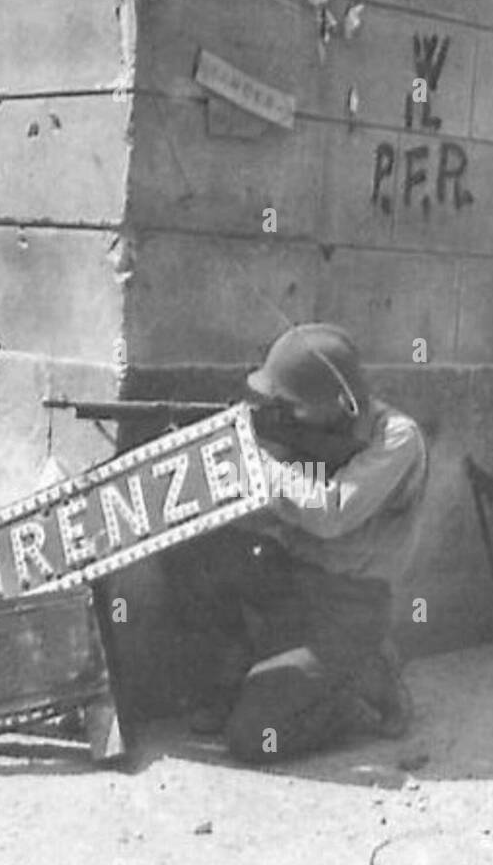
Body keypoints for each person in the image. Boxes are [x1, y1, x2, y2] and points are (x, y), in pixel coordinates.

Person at [170, 323, 428, 763]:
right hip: (292, 583)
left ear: (339, 404)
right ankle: (232, 681)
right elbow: (272, 510)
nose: (283, 413)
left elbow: (331, 514)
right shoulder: (306, 432)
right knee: (199, 548)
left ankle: (363, 685)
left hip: (350, 609)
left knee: (252, 738)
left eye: (293, 405)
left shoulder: (397, 439)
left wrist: (259, 462)